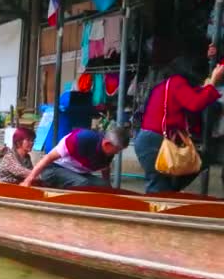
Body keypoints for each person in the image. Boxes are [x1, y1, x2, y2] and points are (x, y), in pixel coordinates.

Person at [134, 57, 224, 193]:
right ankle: (159, 211)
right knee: (159, 186)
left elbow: (194, 97)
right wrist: (213, 82)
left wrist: (209, 85)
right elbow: (195, 103)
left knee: (163, 184)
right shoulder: (177, 83)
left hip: (150, 140)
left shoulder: (166, 85)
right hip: (155, 140)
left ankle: (165, 202)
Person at [21, 127, 130, 189]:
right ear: (107, 144)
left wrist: (109, 190)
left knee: (103, 186)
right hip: (53, 169)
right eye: (117, 149)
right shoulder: (80, 139)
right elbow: (48, 157)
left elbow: (105, 169)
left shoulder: (108, 154)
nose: (117, 153)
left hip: (76, 173)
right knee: (82, 184)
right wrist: (29, 179)